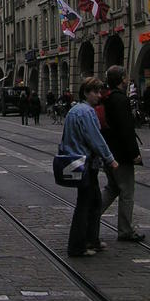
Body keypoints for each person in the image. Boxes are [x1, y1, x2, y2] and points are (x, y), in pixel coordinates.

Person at [60, 77, 118, 257]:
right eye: (95, 92)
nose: (98, 95)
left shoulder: (74, 110)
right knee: (85, 204)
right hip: (86, 162)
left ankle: (92, 240)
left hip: (75, 161)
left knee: (94, 201)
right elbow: (95, 139)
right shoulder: (86, 112)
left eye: (99, 92)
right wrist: (110, 159)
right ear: (86, 92)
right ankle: (78, 245)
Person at [100, 65, 145, 242]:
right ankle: (125, 230)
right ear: (121, 79)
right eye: (125, 77)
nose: (127, 80)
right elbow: (126, 130)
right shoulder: (120, 100)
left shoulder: (106, 98)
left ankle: (91, 215)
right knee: (127, 192)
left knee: (112, 188)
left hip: (109, 152)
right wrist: (134, 154)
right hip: (121, 155)